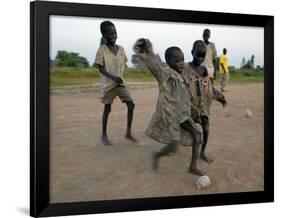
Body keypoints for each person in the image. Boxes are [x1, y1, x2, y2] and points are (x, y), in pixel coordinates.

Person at [133, 38, 204, 176]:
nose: (181, 63)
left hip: (183, 114)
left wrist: (194, 110)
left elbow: (184, 96)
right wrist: (146, 51)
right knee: (174, 144)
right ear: (168, 62)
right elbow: (155, 65)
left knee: (197, 135)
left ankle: (193, 166)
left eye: (182, 59)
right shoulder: (165, 73)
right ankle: (157, 155)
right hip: (171, 115)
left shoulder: (181, 75)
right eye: (177, 60)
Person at [182, 40, 227, 163]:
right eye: (198, 55)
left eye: (203, 56)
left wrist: (220, 97)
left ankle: (202, 152)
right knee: (184, 128)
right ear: (192, 53)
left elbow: (209, 88)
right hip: (189, 106)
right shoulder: (185, 68)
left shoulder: (203, 70)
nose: (200, 59)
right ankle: (173, 144)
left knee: (206, 128)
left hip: (202, 106)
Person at [94, 21, 137, 145]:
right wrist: (113, 77)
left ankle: (128, 133)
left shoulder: (121, 49)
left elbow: (123, 63)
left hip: (120, 84)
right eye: (110, 34)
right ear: (104, 35)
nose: (114, 36)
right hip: (109, 85)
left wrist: (120, 75)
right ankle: (104, 135)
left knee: (131, 105)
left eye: (115, 33)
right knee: (107, 109)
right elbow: (100, 68)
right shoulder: (102, 49)